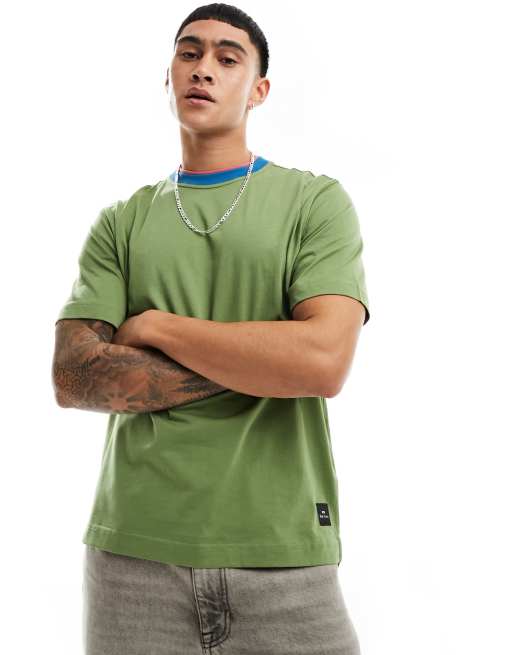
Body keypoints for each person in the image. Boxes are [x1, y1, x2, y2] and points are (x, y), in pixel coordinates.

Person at [52, 3, 370, 654]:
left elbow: (321, 362)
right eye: (188, 53)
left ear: (258, 90)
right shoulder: (121, 222)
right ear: (167, 75)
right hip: (133, 558)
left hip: (282, 553)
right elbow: (75, 376)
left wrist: (156, 325)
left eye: (228, 58)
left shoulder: (314, 202)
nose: (203, 69)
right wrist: (266, 357)